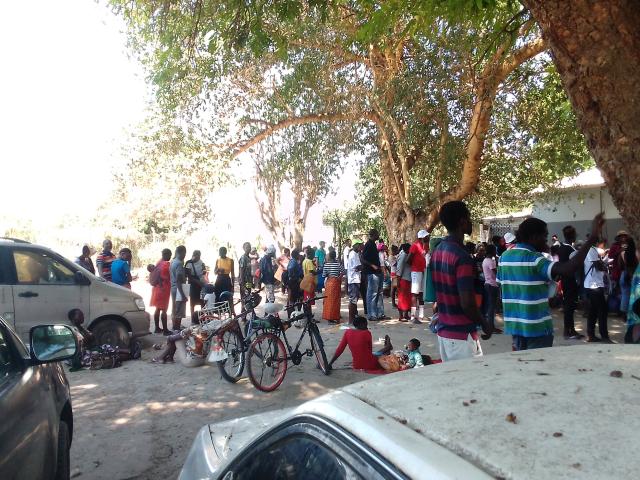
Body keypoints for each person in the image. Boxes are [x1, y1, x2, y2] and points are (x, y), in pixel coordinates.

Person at [499, 213, 606, 350]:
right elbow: (568, 268)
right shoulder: (535, 259)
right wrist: (592, 239)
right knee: (538, 368)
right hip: (537, 328)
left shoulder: (504, 258)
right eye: (544, 236)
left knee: (521, 368)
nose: (546, 240)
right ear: (534, 237)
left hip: (515, 328)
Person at [431, 201, 492, 361]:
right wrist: (485, 323)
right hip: (461, 336)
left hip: (444, 332)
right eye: (469, 218)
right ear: (462, 222)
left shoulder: (437, 251)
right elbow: (467, 303)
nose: (470, 222)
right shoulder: (461, 256)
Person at [328, 316, 394, 371]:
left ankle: (387, 347)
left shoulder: (347, 332)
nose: (367, 327)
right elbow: (369, 350)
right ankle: (388, 347)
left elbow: (340, 350)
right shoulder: (366, 333)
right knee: (382, 355)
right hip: (370, 364)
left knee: (377, 353)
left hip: (357, 365)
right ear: (362, 324)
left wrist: (330, 363)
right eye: (366, 325)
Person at [581, 230, 612, 342]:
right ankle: (604, 336)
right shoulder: (591, 250)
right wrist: (605, 264)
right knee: (602, 310)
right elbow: (598, 266)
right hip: (594, 285)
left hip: (593, 284)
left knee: (593, 310)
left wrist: (602, 263)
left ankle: (591, 334)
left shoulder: (591, 250)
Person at [557, 226, 584, 340]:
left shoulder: (561, 247)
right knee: (570, 306)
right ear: (573, 235)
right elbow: (576, 265)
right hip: (571, 280)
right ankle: (569, 331)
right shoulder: (571, 250)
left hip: (564, 279)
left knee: (568, 305)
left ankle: (568, 330)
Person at [406, 230, 429, 324]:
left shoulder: (426, 246)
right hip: (416, 272)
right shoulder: (415, 245)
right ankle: (413, 316)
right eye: (427, 236)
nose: (428, 237)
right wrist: (414, 265)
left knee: (421, 293)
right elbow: (408, 259)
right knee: (415, 294)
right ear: (422, 237)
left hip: (423, 271)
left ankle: (421, 315)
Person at [361, 229, 383, 321]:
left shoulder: (373, 244)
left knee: (377, 294)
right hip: (371, 273)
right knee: (372, 294)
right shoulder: (368, 244)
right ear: (373, 234)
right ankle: (371, 315)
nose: (379, 235)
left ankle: (378, 313)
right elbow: (363, 258)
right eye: (377, 233)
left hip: (377, 272)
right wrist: (372, 265)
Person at [150, 248, 172, 335]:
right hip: (163, 289)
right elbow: (168, 277)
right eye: (170, 255)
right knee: (164, 310)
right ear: (167, 254)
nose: (170, 257)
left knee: (157, 309)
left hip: (156, 288)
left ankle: (157, 328)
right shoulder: (166, 264)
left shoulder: (158, 263)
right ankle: (166, 330)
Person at [482, 244, 502, 334]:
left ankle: (490, 326)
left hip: (488, 284)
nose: (495, 252)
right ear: (492, 251)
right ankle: (491, 327)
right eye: (494, 250)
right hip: (492, 285)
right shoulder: (490, 261)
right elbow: (496, 273)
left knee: (491, 307)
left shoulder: (485, 260)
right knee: (491, 308)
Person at [322, 250, 344, 324]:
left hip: (329, 283)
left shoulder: (326, 265)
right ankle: (335, 316)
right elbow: (343, 271)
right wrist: (339, 277)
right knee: (336, 300)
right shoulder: (338, 264)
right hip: (336, 283)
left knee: (328, 301)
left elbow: (324, 275)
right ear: (335, 256)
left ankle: (329, 318)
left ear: (330, 256)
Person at [620, 237, 638, 323]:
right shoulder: (636, 253)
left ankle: (624, 315)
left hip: (624, 274)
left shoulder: (623, 253)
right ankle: (632, 314)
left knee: (624, 295)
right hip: (634, 275)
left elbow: (620, 264)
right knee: (633, 296)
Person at [171, 245, 188, 330]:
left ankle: (175, 326)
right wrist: (183, 295)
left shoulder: (173, 261)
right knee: (179, 310)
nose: (185, 256)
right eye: (184, 253)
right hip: (179, 289)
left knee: (175, 309)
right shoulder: (179, 264)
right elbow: (178, 280)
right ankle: (177, 328)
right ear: (181, 253)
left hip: (173, 288)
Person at [185, 250, 207, 317]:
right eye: (195, 255)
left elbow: (204, 271)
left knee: (202, 302)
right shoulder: (188, 263)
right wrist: (198, 282)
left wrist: (204, 271)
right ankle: (193, 318)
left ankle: (202, 318)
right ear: (193, 255)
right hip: (193, 285)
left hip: (201, 285)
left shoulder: (201, 262)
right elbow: (189, 277)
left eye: (198, 255)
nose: (197, 256)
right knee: (192, 303)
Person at [346, 242, 363, 324]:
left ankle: (354, 316)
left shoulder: (354, 253)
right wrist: (364, 265)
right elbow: (358, 267)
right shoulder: (354, 254)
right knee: (353, 300)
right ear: (357, 246)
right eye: (360, 246)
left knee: (354, 299)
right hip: (354, 279)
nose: (361, 248)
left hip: (354, 279)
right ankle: (351, 319)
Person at [396, 243, 412, 322]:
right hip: (403, 279)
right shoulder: (403, 256)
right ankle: (401, 316)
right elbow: (399, 268)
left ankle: (405, 314)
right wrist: (398, 281)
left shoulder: (406, 255)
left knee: (406, 298)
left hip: (407, 278)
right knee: (402, 298)